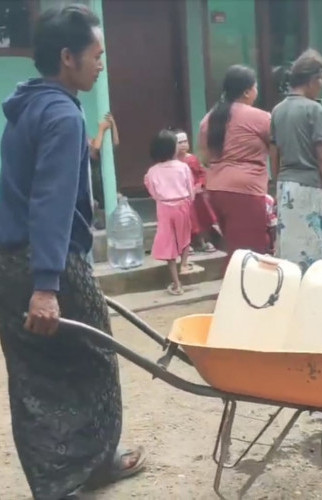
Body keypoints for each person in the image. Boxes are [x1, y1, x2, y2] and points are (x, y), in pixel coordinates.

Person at [0, 6, 145, 499]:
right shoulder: (62, 114)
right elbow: (50, 202)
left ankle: (61, 477)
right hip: (48, 262)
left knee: (34, 373)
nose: (101, 63)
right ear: (68, 57)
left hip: (10, 262)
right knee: (95, 358)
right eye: (96, 55)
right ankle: (79, 472)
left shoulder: (29, 105)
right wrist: (46, 285)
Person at [270, 49, 322, 272]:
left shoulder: (277, 110)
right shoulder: (314, 109)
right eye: (321, 80)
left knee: (291, 247)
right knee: (318, 250)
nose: (321, 85)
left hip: (285, 185)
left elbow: (274, 152)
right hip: (310, 186)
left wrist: (275, 183)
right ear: (312, 79)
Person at [198, 65, 271, 260]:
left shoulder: (209, 119)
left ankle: (234, 287)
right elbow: (277, 147)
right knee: (251, 253)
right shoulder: (260, 117)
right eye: (255, 87)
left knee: (235, 249)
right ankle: (244, 290)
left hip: (215, 189)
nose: (257, 91)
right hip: (245, 191)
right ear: (247, 91)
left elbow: (204, 159)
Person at [144, 130, 195, 296]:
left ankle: (176, 283)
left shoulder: (152, 171)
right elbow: (191, 189)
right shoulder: (183, 167)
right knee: (185, 236)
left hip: (165, 207)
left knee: (169, 244)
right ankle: (185, 264)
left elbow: (153, 193)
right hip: (184, 204)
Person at [174, 130, 217, 253]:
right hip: (182, 196)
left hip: (196, 195)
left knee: (201, 217)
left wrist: (199, 185)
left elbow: (202, 174)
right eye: (179, 142)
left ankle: (203, 241)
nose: (183, 144)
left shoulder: (192, 159)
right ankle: (187, 243)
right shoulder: (174, 162)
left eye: (185, 141)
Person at [90, 111, 119, 229]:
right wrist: (101, 129)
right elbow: (95, 148)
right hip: (96, 188)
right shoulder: (91, 157)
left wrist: (113, 124)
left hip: (104, 184)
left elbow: (115, 142)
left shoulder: (105, 157)